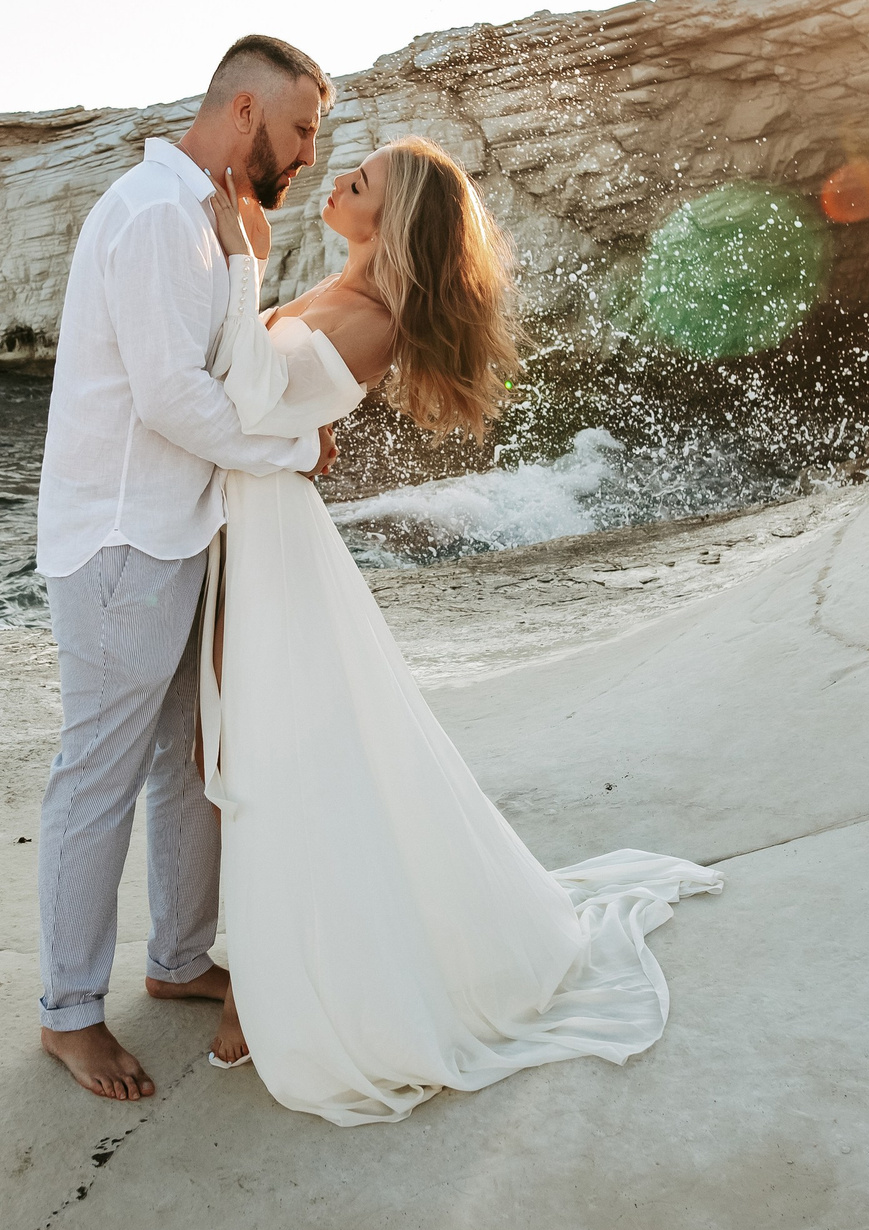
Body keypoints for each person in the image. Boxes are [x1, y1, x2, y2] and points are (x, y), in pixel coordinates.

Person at [194, 135, 723, 1126]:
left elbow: (243, 401)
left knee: (274, 756)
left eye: (361, 185)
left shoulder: (369, 319)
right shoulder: (342, 296)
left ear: (391, 223)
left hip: (269, 544)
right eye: (348, 174)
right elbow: (271, 410)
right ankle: (256, 964)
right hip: (251, 533)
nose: (340, 184)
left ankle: (270, 989)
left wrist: (238, 257)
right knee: (244, 749)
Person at [31, 34, 340, 1101]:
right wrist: (291, 453)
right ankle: (69, 1015)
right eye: (302, 127)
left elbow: (218, 358)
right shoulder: (159, 216)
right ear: (246, 111)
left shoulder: (200, 217)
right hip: (123, 538)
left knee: (181, 760)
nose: (310, 151)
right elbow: (171, 397)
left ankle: (175, 959)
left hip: (169, 530)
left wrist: (244, 254)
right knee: (100, 775)